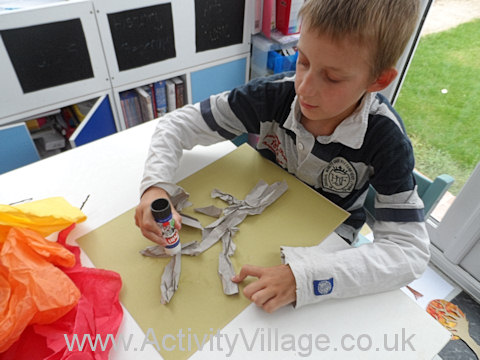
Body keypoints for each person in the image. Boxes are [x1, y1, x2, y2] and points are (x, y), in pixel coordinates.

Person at [135, 0, 429, 313]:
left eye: (332, 78)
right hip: (259, 214)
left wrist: (305, 279)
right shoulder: (272, 94)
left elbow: (408, 251)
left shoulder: (386, 138)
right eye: (303, 60)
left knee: (262, 318)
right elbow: (176, 124)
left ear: (378, 81)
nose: (304, 88)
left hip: (327, 238)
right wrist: (156, 186)